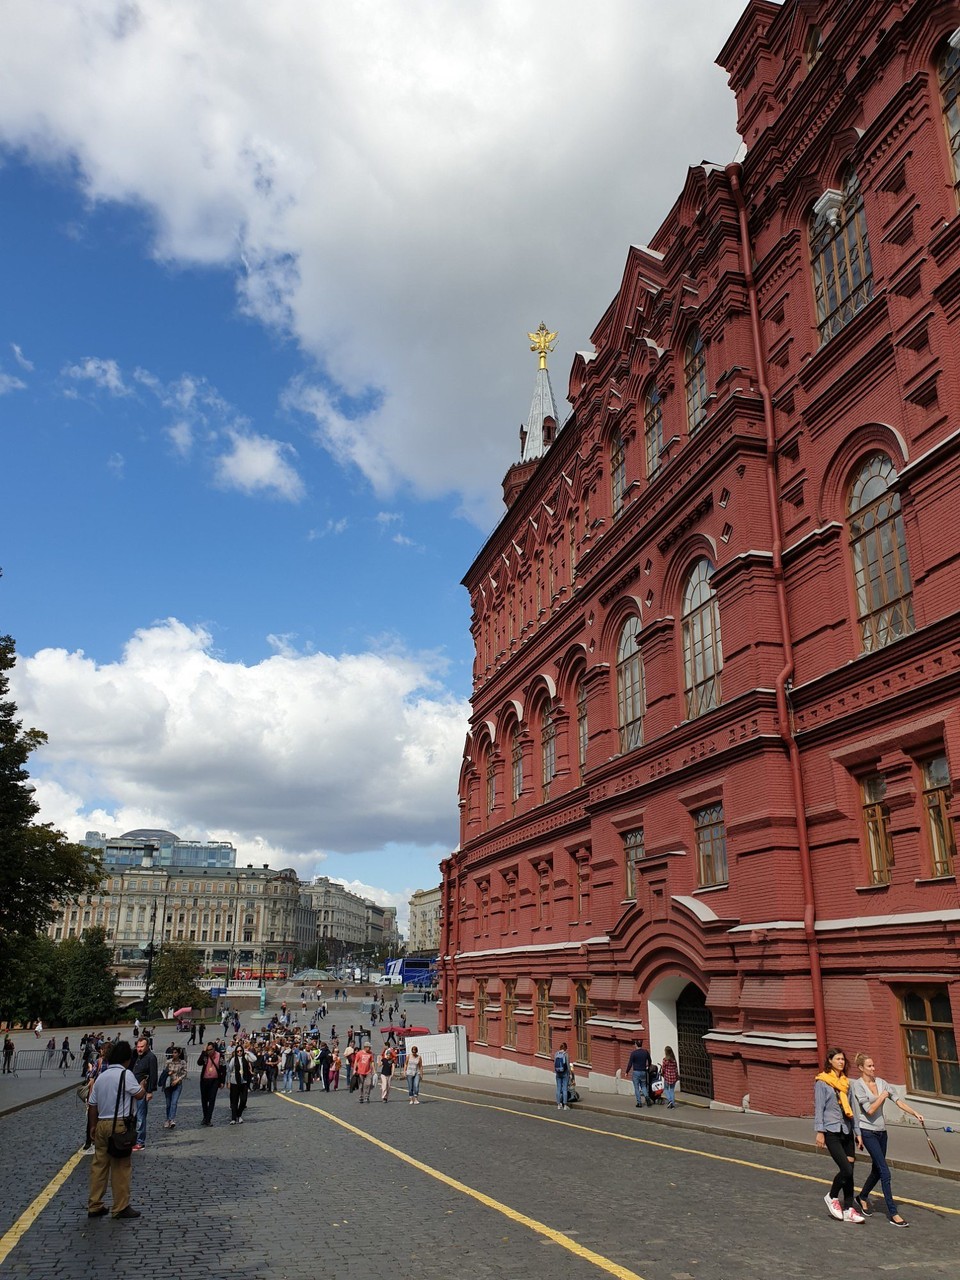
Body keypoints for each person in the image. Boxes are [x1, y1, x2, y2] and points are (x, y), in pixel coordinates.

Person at [852, 1052, 923, 1227]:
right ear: (861, 1068)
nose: (873, 1068)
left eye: (873, 1065)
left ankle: (861, 1196)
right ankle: (893, 1213)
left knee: (877, 1169)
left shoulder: (882, 1083)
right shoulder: (858, 1086)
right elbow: (869, 1110)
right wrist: (882, 1096)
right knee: (885, 1171)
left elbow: (898, 1101)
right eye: (869, 1066)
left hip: (881, 1132)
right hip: (867, 1131)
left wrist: (915, 1113)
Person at [86, 1039, 146, 1219]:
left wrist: (93, 1126)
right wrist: (142, 1086)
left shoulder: (101, 1076)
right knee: (121, 1166)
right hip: (119, 1124)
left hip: (102, 1123)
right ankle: (120, 1206)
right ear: (127, 1060)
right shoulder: (125, 1074)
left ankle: (95, 1204)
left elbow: (92, 1104)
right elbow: (139, 1094)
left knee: (99, 1165)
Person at [815, 1046, 864, 1223]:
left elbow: (853, 1109)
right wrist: (820, 1132)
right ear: (830, 1061)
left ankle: (849, 1209)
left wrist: (857, 1132)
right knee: (845, 1168)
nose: (841, 1062)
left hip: (847, 1130)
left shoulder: (846, 1083)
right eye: (838, 1059)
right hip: (831, 1131)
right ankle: (832, 1196)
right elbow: (819, 1108)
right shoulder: (822, 1082)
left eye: (843, 1059)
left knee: (850, 1171)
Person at [129, 1035, 158, 1151]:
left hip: (143, 1091)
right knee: (133, 1115)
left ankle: (140, 1142)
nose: (139, 1049)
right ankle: (133, 1139)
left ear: (147, 1046)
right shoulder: (137, 1056)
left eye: (142, 1046)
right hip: (133, 1090)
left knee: (141, 1116)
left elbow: (153, 1074)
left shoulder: (151, 1057)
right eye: (138, 1046)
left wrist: (150, 1091)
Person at [228, 1040, 256, 1123]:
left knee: (243, 1100)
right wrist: (228, 1081)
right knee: (234, 1101)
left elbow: (254, 1059)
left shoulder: (245, 1058)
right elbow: (229, 1070)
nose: (239, 1052)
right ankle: (233, 1118)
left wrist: (247, 1052)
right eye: (238, 1051)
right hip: (235, 1082)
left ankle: (239, 1114)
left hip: (244, 1082)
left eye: (241, 1051)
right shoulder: (233, 1059)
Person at [198, 1042, 225, 1125]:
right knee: (204, 1100)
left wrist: (222, 1082)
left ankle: (208, 1119)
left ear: (214, 1049)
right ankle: (205, 1117)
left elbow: (223, 1069)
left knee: (212, 1099)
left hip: (215, 1080)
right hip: (205, 1080)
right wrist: (203, 1052)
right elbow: (199, 1063)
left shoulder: (220, 1056)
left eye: (210, 1050)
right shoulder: (205, 1055)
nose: (209, 1051)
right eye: (207, 1050)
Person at [624, 1039, 652, 1107]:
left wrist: (626, 1072)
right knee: (643, 1086)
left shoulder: (634, 1053)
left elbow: (630, 1064)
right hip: (643, 1071)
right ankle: (647, 1097)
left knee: (636, 1088)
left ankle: (639, 1103)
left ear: (636, 1045)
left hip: (636, 1072)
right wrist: (648, 1065)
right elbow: (650, 1060)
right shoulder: (645, 1052)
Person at [554, 1042, 571, 1110]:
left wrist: (556, 1071)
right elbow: (567, 1065)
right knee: (564, 1089)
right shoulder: (566, 1054)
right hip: (565, 1073)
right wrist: (569, 1074)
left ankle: (558, 1104)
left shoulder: (556, 1054)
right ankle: (565, 1105)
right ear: (565, 1048)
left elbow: (554, 1064)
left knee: (558, 1088)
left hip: (558, 1073)